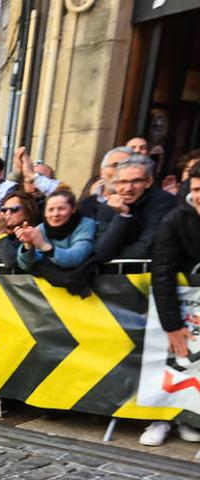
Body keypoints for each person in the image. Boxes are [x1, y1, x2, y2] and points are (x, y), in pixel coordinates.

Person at [140, 164, 200, 448]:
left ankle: (191, 421)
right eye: (198, 189)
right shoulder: (175, 219)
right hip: (182, 306)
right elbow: (161, 271)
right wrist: (172, 326)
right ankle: (161, 418)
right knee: (173, 362)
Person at [87, 154, 176, 262]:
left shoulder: (163, 202)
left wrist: (113, 255)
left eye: (136, 181)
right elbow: (101, 252)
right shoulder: (109, 205)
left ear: (149, 182)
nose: (128, 188)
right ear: (115, 184)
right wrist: (122, 216)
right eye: (123, 182)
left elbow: (147, 248)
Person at [16, 188, 97, 295]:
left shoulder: (86, 224)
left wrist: (44, 246)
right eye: (50, 209)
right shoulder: (40, 229)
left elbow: (76, 257)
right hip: (48, 296)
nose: (55, 214)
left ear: (73, 209)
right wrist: (28, 245)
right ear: (44, 213)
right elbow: (24, 265)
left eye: (61, 209)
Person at [0, 191, 41, 270]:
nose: (8, 213)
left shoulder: (34, 235)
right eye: (4, 210)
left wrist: (0, 234)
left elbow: (12, 262)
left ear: (28, 212)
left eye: (14, 209)